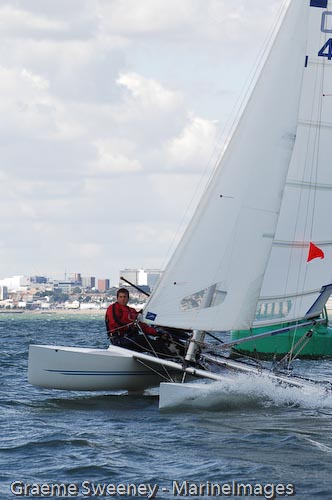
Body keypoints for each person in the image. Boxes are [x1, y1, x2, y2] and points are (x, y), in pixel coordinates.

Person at [105, 288, 173, 355]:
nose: (123, 299)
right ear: (117, 298)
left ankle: (169, 356)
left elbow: (143, 326)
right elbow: (114, 322)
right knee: (143, 339)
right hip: (119, 340)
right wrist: (129, 327)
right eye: (120, 297)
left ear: (128, 298)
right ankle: (166, 357)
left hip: (131, 339)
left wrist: (158, 333)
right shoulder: (113, 308)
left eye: (125, 297)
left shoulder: (132, 311)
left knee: (154, 340)